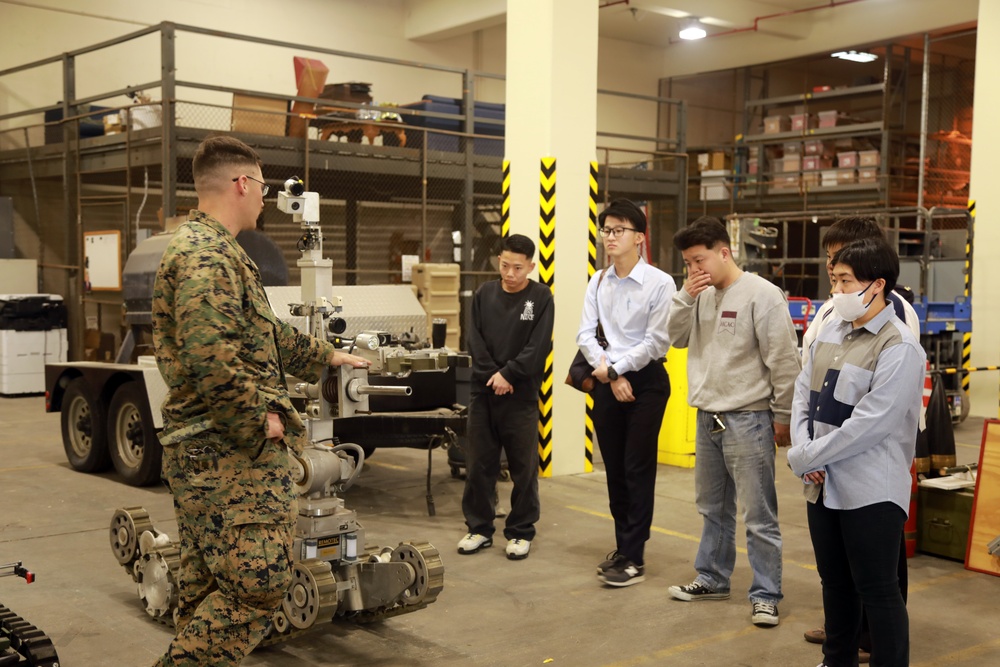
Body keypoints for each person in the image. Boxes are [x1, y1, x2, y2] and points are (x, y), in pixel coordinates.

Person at [151, 134, 370, 666]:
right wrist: (258, 423)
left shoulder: (215, 249)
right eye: (263, 186)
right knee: (259, 586)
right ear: (242, 183)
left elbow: (265, 333)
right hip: (228, 453)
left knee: (208, 586)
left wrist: (328, 357)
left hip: (206, 448)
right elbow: (211, 357)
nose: (265, 198)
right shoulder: (208, 255)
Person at [788, 238, 925, 667]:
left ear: (877, 284)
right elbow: (802, 392)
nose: (838, 291)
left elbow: (872, 423)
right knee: (834, 583)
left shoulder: (898, 345)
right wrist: (803, 448)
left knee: (878, 590)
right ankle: (836, 660)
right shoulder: (830, 330)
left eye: (846, 281)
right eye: (834, 280)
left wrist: (810, 456)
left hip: (871, 489)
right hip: (822, 483)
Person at [665, 216, 800, 627]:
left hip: (750, 419)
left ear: (725, 252)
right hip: (707, 416)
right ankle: (712, 577)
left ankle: (765, 594)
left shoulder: (763, 294)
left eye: (699, 260)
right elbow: (675, 337)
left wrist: (784, 417)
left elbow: (784, 361)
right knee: (711, 508)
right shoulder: (699, 295)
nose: (693, 270)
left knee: (758, 514)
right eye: (688, 263)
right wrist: (684, 296)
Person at [576, 199, 674, 587]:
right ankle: (623, 547)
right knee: (614, 468)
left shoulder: (660, 283)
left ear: (639, 237)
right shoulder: (597, 281)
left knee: (637, 467)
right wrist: (608, 372)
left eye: (619, 230)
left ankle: (635, 557)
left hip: (646, 382)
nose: (610, 237)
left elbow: (656, 341)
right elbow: (585, 334)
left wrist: (617, 369)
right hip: (607, 380)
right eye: (606, 230)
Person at [457, 233, 554, 560]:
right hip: (483, 393)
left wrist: (509, 374)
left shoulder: (541, 297)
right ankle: (479, 528)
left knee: (523, 468)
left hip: (521, 395)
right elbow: (475, 340)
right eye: (504, 266)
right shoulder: (484, 293)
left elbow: (538, 346)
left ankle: (520, 532)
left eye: (517, 268)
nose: (510, 274)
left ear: (530, 266)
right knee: (480, 463)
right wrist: (492, 376)